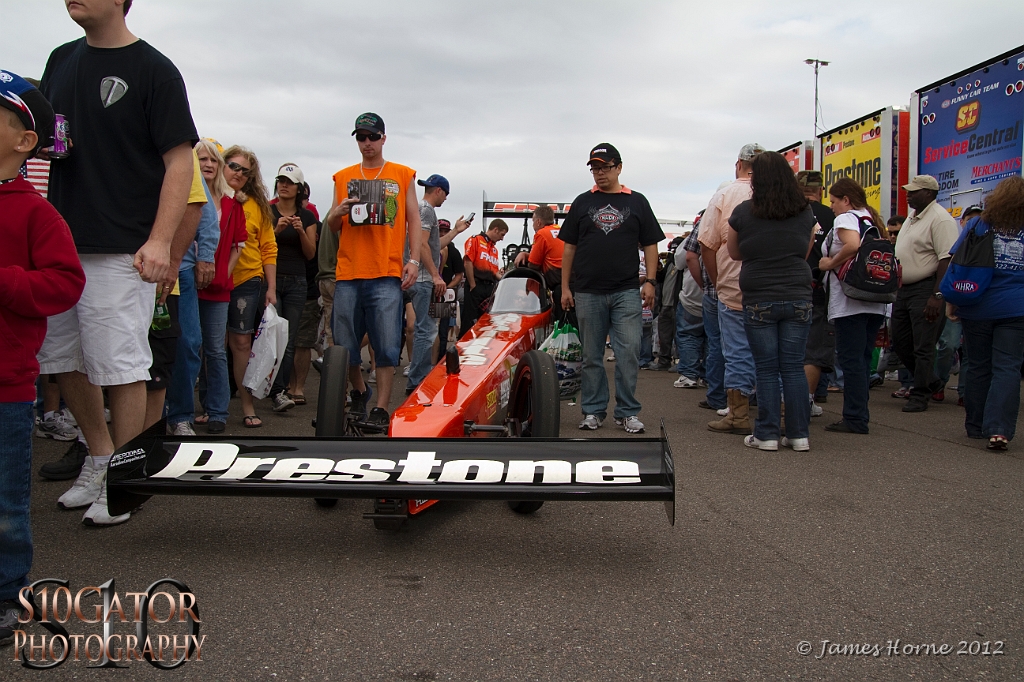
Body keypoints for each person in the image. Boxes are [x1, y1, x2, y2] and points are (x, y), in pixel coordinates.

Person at [38, 0, 199, 525]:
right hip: (59, 242)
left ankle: (124, 479)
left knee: (121, 365)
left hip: (121, 245)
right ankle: (100, 456)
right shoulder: (60, 59)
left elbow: (180, 160)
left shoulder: (154, 68)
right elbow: (43, 142)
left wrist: (160, 242)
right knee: (64, 360)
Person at [0, 70, 84, 645]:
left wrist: (4, 281)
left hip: (5, 385)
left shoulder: (35, 213)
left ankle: (7, 594)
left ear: (25, 139)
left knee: (5, 501)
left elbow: (63, 284)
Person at [560, 142, 664, 434]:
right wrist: (565, 287)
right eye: (595, 168)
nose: (600, 173)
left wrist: (651, 281)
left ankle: (627, 412)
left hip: (626, 290)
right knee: (591, 355)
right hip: (588, 291)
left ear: (619, 167)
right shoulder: (582, 202)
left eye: (605, 167)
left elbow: (651, 245)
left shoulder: (637, 202)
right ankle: (593, 411)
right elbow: (569, 247)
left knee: (629, 351)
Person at [326, 113, 422, 426]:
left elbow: (413, 220)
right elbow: (331, 225)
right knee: (345, 344)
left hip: (386, 270)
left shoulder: (401, 174)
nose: (366, 143)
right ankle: (358, 391)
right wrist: (337, 211)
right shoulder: (343, 177)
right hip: (349, 273)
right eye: (361, 138)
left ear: (383, 138)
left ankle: (381, 409)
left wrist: (414, 260)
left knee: (387, 344)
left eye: (372, 137)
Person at [727, 151, 817, 451]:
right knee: (793, 366)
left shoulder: (743, 212)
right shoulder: (805, 212)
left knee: (766, 368)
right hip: (798, 293)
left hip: (759, 295)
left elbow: (735, 253)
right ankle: (798, 434)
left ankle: (766, 434)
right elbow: (805, 252)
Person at [946, 178, 1024, 450]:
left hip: (977, 304)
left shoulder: (977, 225)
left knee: (978, 365)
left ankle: (975, 425)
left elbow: (957, 262)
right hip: (1017, 308)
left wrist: (950, 300)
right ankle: (999, 429)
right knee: (1008, 367)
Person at [699, 144, 766, 435]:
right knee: (772, 353)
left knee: (737, 351)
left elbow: (706, 243)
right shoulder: (777, 193)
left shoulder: (725, 194)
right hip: (773, 286)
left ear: (737, 164)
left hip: (733, 286)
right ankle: (774, 416)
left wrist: (717, 281)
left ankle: (738, 416)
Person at [818, 178, 888, 434]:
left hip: (850, 301)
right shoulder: (873, 221)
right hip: (874, 301)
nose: (833, 207)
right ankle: (859, 414)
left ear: (846, 200)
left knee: (852, 360)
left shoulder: (847, 219)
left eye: (835, 201)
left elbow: (853, 245)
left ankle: (855, 418)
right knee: (863, 358)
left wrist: (829, 263)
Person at [892, 175, 959, 413]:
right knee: (899, 341)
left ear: (929, 193)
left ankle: (920, 394)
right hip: (905, 288)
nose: (908, 195)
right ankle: (931, 382)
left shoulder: (940, 219)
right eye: (908, 191)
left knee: (923, 345)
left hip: (927, 287)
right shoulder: (913, 216)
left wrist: (937, 295)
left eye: (914, 192)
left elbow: (946, 259)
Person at [164, 153, 221, 436]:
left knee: (188, 342)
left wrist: (206, 256)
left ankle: (180, 415)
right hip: (134, 263)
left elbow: (206, 214)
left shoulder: (182, 161)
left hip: (181, 269)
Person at [223, 146, 278, 428]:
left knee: (241, 342)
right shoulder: (211, 198)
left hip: (247, 279)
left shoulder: (257, 205)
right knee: (211, 345)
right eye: (233, 166)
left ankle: (247, 405)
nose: (239, 173)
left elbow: (268, 247)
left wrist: (271, 287)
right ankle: (214, 406)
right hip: (211, 279)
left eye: (246, 171)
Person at [194, 139, 246, 433]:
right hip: (188, 283)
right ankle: (186, 410)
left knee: (215, 349)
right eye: (202, 160)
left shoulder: (231, 203)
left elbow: (239, 245)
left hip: (219, 289)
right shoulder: (187, 198)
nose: (208, 165)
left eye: (213, 160)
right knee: (191, 346)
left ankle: (217, 411)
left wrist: (221, 274)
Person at [407, 174, 468, 394]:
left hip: (417, 278)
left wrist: (456, 231)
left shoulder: (421, 209)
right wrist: (435, 275)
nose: (445, 200)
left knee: (424, 328)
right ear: (439, 191)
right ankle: (417, 380)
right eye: (446, 195)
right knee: (427, 330)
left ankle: (418, 376)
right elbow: (422, 244)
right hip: (422, 278)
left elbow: (433, 245)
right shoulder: (426, 210)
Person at [267, 163, 318, 412]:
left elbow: (310, 254)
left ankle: (281, 390)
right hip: (273, 278)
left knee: (288, 340)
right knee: (271, 336)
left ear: (299, 188)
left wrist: (300, 232)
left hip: (297, 280)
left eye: (289, 182)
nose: (283, 185)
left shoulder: (307, 217)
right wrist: (276, 231)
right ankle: (272, 388)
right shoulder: (268, 211)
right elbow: (261, 247)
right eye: (280, 180)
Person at [795, 169, 836, 419]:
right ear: (820, 190)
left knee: (786, 346)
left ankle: (777, 397)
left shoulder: (790, 213)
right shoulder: (831, 216)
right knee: (814, 349)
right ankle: (808, 401)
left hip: (790, 286)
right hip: (819, 288)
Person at [935, 205, 983, 405]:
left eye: (977, 220)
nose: (973, 223)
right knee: (949, 345)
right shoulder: (957, 243)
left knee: (972, 351)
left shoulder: (986, 244)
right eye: (969, 219)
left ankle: (966, 392)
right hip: (955, 301)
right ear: (962, 222)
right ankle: (938, 383)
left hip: (977, 304)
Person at [683, 209, 726, 409]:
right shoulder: (757, 210)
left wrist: (708, 284)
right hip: (748, 290)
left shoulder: (710, 217)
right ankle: (746, 395)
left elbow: (690, 255)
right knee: (747, 346)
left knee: (715, 343)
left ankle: (717, 395)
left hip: (715, 292)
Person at [463, 219, 508, 334]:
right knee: (470, 321)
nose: (502, 238)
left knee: (487, 322)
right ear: (495, 229)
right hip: (475, 285)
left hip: (489, 288)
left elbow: (494, 272)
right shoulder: (475, 240)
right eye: (502, 234)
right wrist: (473, 284)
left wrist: (507, 279)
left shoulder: (494, 249)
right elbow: (468, 262)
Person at [436, 219, 466, 361]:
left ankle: (440, 358)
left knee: (443, 329)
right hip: (428, 291)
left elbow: (460, 274)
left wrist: (448, 287)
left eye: (445, 231)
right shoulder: (428, 246)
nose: (442, 233)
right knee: (426, 329)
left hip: (446, 294)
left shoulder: (453, 250)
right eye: (440, 230)